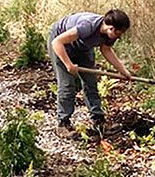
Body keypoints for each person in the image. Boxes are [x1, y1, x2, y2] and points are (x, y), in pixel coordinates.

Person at [48, 9, 132, 137]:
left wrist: (123, 71)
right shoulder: (88, 26)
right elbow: (57, 42)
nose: (119, 37)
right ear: (110, 28)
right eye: (118, 33)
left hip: (82, 46)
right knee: (67, 85)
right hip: (61, 44)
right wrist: (68, 64)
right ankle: (63, 124)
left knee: (91, 83)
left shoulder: (109, 34)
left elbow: (106, 50)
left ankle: (98, 121)